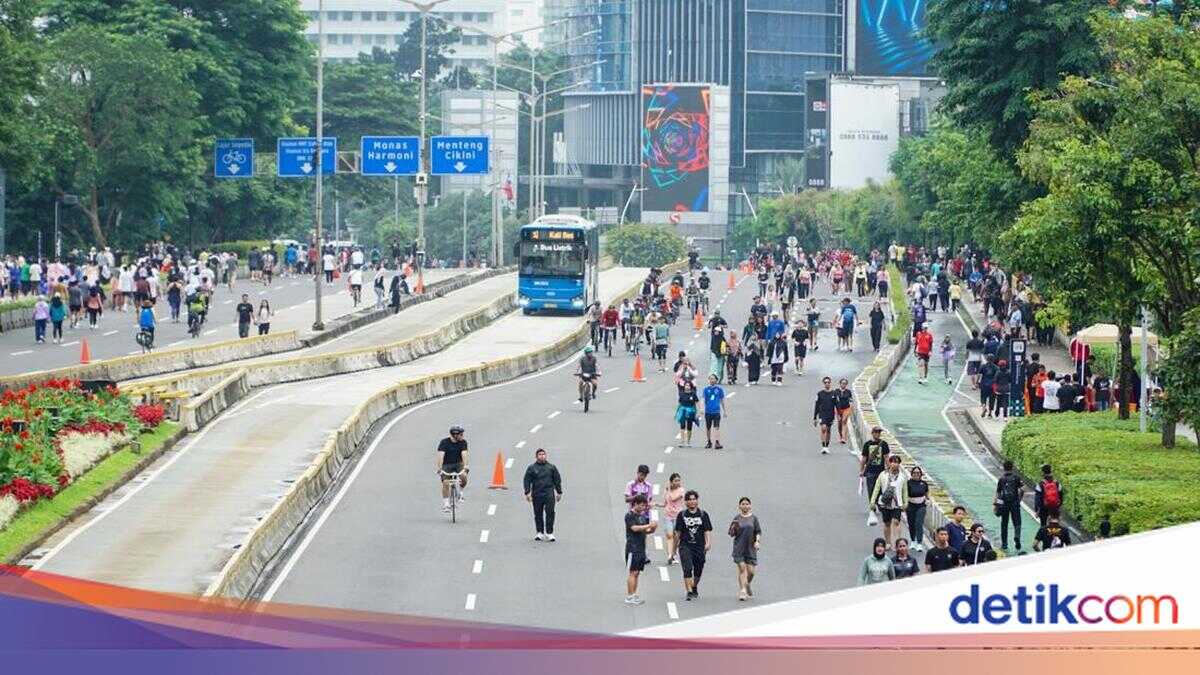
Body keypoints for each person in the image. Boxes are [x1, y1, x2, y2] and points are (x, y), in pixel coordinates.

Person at [674, 489, 712, 600]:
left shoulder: (703, 514)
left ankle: (694, 586)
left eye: (694, 499)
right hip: (685, 545)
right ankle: (689, 591)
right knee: (687, 568)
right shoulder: (681, 515)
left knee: (698, 569)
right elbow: (678, 533)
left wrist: (708, 543)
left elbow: (707, 530)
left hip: (699, 546)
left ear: (697, 501)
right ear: (685, 502)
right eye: (689, 500)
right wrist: (674, 549)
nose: (692, 501)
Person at [523, 448, 563, 542]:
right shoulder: (532, 468)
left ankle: (549, 533)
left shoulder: (551, 467)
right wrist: (527, 492)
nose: (542, 456)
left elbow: (557, 480)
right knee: (538, 513)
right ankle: (539, 532)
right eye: (540, 454)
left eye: (543, 454)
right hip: (537, 493)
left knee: (550, 512)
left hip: (549, 493)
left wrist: (559, 492)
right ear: (536, 456)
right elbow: (527, 480)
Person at [871, 455, 908, 549]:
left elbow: (904, 491)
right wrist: (872, 501)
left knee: (896, 521)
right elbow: (877, 488)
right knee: (887, 523)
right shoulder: (883, 474)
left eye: (897, 462)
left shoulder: (902, 477)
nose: (895, 464)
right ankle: (888, 542)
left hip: (897, 503)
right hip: (885, 502)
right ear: (889, 463)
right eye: (893, 462)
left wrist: (905, 502)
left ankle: (897, 542)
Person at [624, 494, 655, 606]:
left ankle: (634, 594)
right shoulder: (629, 516)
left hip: (641, 548)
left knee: (637, 573)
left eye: (644, 506)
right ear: (635, 504)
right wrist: (648, 525)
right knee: (633, 572)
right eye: (641, 505)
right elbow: (634, 528)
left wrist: (653, 528)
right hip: (633, 548)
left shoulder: (642, 516)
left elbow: (646, 531)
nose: (643, 508)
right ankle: (629, 595)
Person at [729, 497, 762, 601]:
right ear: (739, 506)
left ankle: (747, 584)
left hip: (750, 548)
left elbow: (758, 531)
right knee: (742, 569)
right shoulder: (737, 518)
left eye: (747, 504)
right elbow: (731, 533)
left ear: (750, 506)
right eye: (743, 504)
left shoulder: (754, 518)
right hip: (739, 548)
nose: (745, 506)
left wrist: (757, 541)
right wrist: (734, 528)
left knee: (751, 572)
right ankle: (743, 590)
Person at [436, 425, 470, 513]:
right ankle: (446, 504)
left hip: (458, 464)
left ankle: (461, 492)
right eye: (461, 434)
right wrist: (439, 468)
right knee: (446, 483)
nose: (462, 436)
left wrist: (466, 465)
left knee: (463, 476)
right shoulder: (444, 442)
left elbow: (464, 454)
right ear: (455, 435)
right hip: (446, 465)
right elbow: (441, 455)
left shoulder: (463, 442)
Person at [860, 427, 890, 523]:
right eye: (876, 432)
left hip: (881, 471)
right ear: (872, 433)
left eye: (879, 432)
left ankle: (879, 504)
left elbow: (886, 458)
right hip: (870, 471)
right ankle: (872, 507)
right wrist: (861, 470)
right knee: (871, 489)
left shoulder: (884, 444)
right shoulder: (867, 444)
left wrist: (889, 468)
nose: (878, 434)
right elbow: (864, 458)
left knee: (881, 489)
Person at [994, 460, 1025, 551]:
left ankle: (1004, 544)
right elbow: (1022, 489)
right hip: (1015, 503)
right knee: (1017, 522)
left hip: (1004, 504)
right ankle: (1017, 537)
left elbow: (999, 494)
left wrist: (997, 505)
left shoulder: (1001, 479)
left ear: (1004, 468)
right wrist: (1019, 500)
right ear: (1012, 467)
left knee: (1004, 523)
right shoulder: (1016, 477)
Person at [656, 473, 685, 564]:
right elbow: (665, 503)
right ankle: (669, 555)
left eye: (678, 480)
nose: (677, 482)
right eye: (675, 480)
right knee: (669, 535)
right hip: (668, 516)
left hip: (678, 516)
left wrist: (668, 489)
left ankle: (674, 553)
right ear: (671, 481)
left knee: (677, 536)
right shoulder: (666, 491)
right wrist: (656, 504)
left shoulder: (681, 490)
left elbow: (673, 498)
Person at [905, 466, 929, 551]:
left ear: (921, 474)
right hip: (911, 505)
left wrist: (927, 500)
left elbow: (926, 493)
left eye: (918, 473)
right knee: (911, 523)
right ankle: (913, 541)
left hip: (921, 506)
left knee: (919, 523)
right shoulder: (908, 483)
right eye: (914, 473)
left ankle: (919, 542)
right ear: (911, 474)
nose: (916, 474)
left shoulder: (924, 484)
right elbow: (905, 494)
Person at [813, 377, 837, 453]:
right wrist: (815, 417)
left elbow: (837, 405)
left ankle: (827, 446)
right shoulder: (820, 394)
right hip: (822, 414)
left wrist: (839, 415)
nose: (827, 384)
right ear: (823, 383)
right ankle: (823, 446)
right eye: (825, 382)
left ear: (830, 383)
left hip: (830, 414)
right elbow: (816, 405)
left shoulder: (834, 393)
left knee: (829, 430)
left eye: (828, 382)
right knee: (823, 428)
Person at [702, 374, 727, 449]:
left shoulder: (719, 390)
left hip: (716, 411)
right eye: (710, 379)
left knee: (717, 427)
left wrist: (724, 411)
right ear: (708, 380)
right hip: (708, 411)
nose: (712, 380)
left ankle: (717, 442)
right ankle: (709, 441)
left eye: (713, 379)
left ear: (716, 380)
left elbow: (722, 400)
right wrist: (702, 408)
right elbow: (703, 399)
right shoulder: (706, 389)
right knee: (708, 427)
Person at [676, 381, 699, 447]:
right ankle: (682, 441)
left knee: (689, 427)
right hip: (682, 411)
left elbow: (697, 402)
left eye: (688, 385)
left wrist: (698, 412)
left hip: (691, 411)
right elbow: (679, 403)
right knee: (682, 426)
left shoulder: (693, 394)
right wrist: (677, 411)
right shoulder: (682, 394)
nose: (687, 387)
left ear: (691, 387)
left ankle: (688, 441)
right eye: (686, 385)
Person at [834, 378, 853, 444]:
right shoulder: (836, 391)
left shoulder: (848, 391)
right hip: (838, 409)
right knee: (839, 423)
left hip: (846, 408)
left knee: (844, 421)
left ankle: (844, 438)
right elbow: (834, 401)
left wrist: (851, 408)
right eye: (842, 383)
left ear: (846, 384)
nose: (843, 385)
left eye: (845, 383)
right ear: (840, 384)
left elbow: (851, 400)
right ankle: (841, 435)